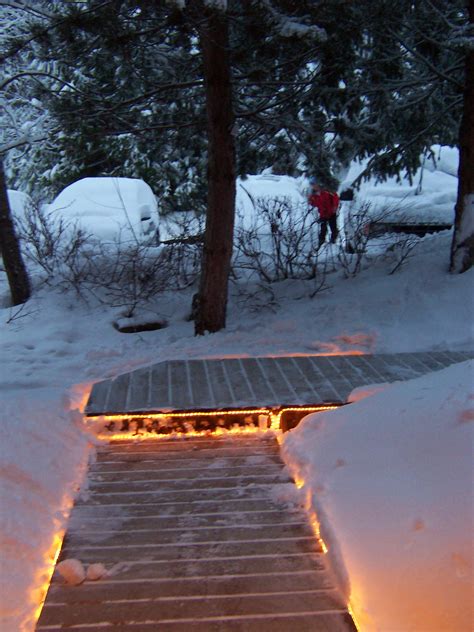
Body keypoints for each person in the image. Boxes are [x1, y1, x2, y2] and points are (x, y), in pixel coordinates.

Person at [308, 177, 340, 247]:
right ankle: (321, 245)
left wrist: (335, 206)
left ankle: (333, 243)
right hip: (323, 215)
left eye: (314, 184)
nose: (313, 186)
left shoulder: (326, 191)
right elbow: (312, 204)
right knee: (323, 230)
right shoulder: (313, 195)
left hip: (331, 213)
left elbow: (335, 197)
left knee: (333, 228)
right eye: (312, 185)